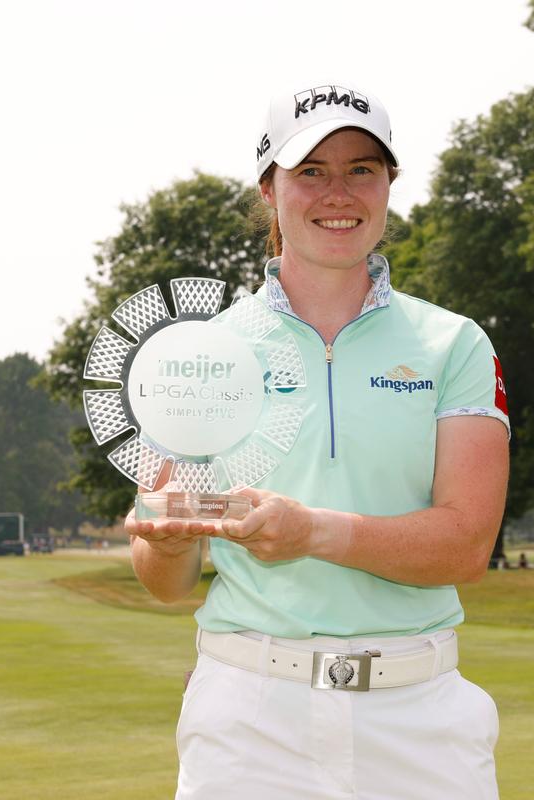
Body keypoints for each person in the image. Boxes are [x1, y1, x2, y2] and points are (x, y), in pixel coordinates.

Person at [126, 83, 510, 799]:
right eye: (311, 171)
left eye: (362, 168)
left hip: (420, 716)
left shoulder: (453, 343)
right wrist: (170, 543)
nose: (339, 192)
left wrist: (311, 532)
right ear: (269, 189)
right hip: (250, 718)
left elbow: (464, 546)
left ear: (389, 183)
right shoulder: (198, 353)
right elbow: (165, 582)